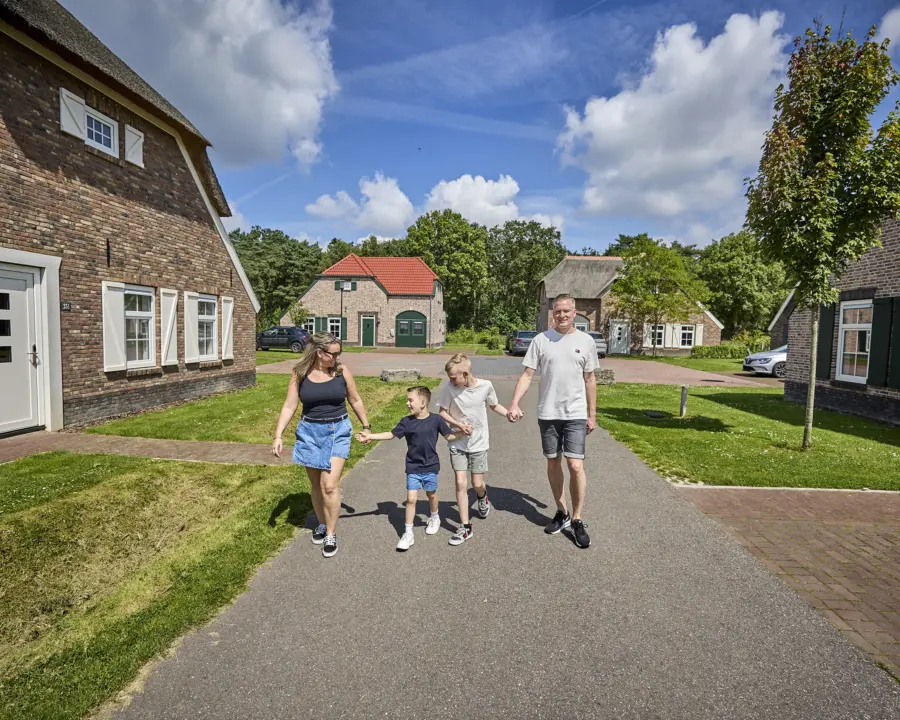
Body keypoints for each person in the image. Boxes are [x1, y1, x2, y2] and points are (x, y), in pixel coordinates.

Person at [506, 294, 598, 548]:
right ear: (553, 313)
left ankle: (577, 519)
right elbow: (527, 375)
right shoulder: (541, 340)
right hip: (548, 412)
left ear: (575, 312)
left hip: (576, 413)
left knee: (576, 465)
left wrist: (592, 413)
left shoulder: (586, 341)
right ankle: (561, 511)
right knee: (553, 461)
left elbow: (590, 379)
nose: (562, 315)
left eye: (566, 311)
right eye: (558, 311)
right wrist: (514, 403)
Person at [272, 332, 370, 558]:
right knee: (316, 485)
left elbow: (355, 399)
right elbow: (289, 406)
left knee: (329, 485)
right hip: (309, 432)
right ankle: (322, 523)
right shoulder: (300, 374)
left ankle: (331, 533)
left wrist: (366, 425)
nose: (337, 358)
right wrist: (278, 435)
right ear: (319, 353)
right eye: (333, 354)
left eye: (339, 353)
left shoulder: (342, 371)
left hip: (338, 430)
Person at [357, 386, 461, 551]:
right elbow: (391, 435)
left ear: (423, 402)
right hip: (413, 466)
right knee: (411, 499)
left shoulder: (436, 420)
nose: (407, 403)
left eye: (410, 400)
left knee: (431, 494)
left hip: (430, 465)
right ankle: (408, 533)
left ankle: (435, 517)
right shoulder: (406, 422)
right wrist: (370, 435)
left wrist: (464, 432)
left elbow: (449, 436)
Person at [438, 353, 508, 546]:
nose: (451, 381)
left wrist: (509, 414)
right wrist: (458, 425)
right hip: (457, 442)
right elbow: (442, 412)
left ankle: (482, 496)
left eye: (454, 377)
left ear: (466, 373)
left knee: (477, 483)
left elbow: (494, 406)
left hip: (479, 444)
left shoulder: (485, 386)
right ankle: (465, 526)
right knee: (461, 483)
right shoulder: (449, 389)